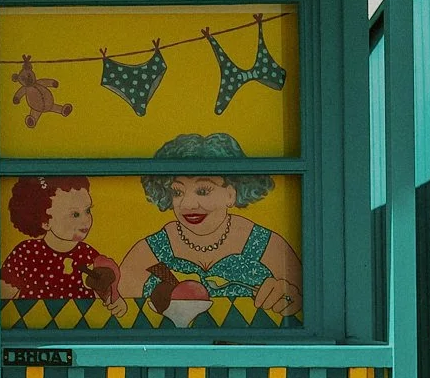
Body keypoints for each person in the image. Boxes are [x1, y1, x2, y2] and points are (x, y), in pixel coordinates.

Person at [115, 131, 303, 323]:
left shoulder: (265, 245)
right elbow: (119, 314)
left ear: (231, 194)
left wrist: (288, 299)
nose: (188, 204)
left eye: (203, 191)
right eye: (177, 192)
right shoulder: (152, 249)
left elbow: (305, 302)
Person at [0, 176, 120, 307]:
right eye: (75, 214)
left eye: (87, 210)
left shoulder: (88, 254)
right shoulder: (26, 253)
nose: (86, 220)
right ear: (45, 222)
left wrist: (116, 303)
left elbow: (107, 294)